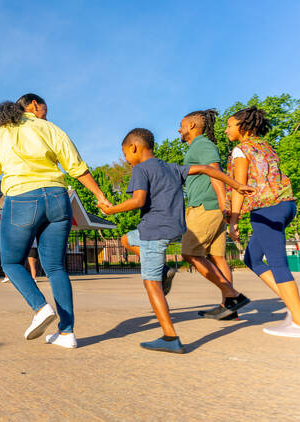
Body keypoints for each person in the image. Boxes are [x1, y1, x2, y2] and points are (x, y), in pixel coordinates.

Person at [0, 93, 112, 349]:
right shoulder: (50, 128)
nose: (47, 111)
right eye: (46, 106)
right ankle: (67, 333)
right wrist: (100, 195)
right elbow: (76, 167)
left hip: (23, 198)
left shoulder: (0, 134)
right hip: (57, 197)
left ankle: (40, 307)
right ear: (34, 105)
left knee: (11, 262)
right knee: (55, 267)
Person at [99, 128, 254, 353]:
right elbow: (206, 169)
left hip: (154, 231)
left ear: (134, 147)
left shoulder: (141, 169)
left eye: (125, 154)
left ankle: (170, 337)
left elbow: (138, 200)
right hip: (172, 227)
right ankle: (168, 272)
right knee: (126, 239)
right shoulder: (170, 167)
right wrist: (236, 185)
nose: (126, 159)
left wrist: (111, 210)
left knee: (151, 284)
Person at [225, 106, 300, 337]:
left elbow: (240, 187)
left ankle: (298, 320)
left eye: (229, 125)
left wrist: (233, 220)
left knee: (277, 264)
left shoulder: (241, 150)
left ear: (243, 127)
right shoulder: (266, 146)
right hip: (286, 205)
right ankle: (294, 306)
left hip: (267, 209)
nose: (226, 130)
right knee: (252, 258)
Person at [179, 109, 250, 319]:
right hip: (211, 206)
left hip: (205, 206)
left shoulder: (203, 145)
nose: (179, 128)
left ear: (192, 126)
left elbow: (216, 173)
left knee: (190, 253)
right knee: (217, 257)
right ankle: (229, 308)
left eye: (182, 124)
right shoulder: (198, 146)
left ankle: (232, 295)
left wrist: (222, 204)